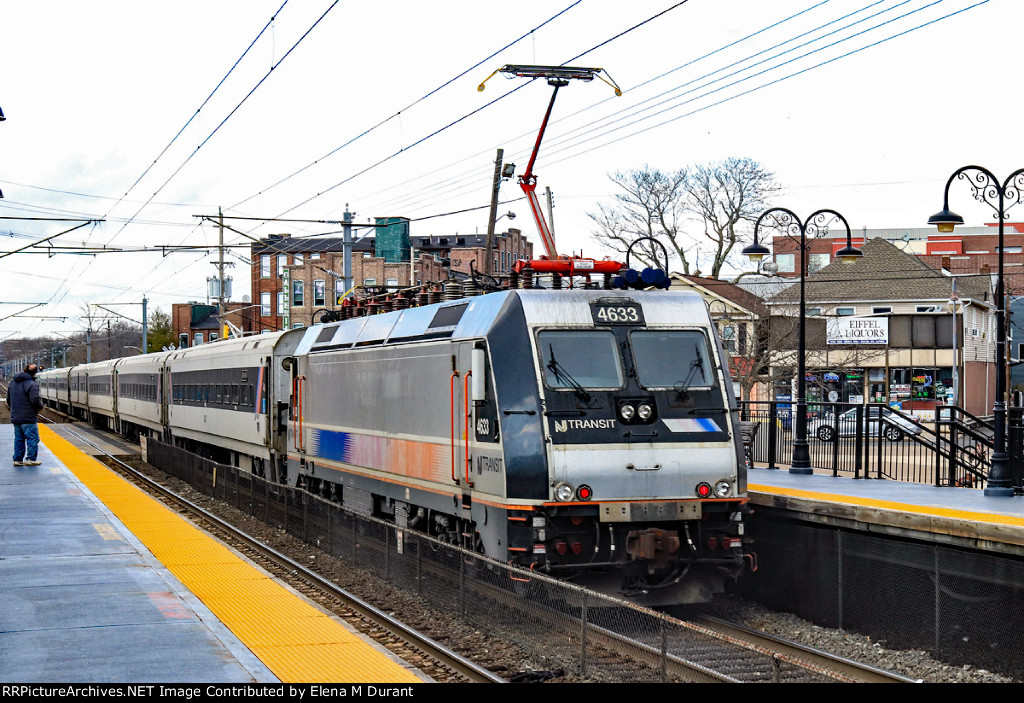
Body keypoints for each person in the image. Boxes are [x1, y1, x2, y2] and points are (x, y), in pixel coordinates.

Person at [7, 363, 43, 466]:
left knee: (19, 439)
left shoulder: (12, 383)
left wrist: (15, 409)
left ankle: (17, 460)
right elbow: (35, 399)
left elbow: (8, 399)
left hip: (16, 417)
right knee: (32, 438)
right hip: (28, 417)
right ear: (35, 373)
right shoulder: (32, 384)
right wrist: (40, 407)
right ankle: (31, 459)